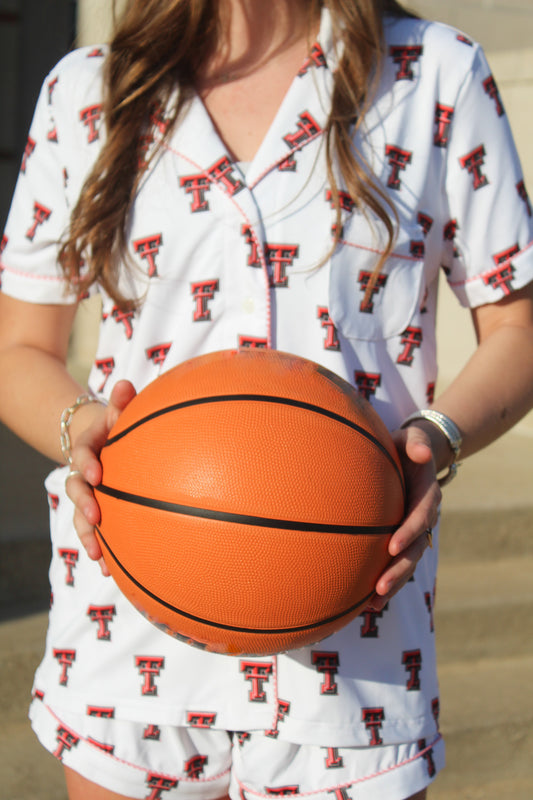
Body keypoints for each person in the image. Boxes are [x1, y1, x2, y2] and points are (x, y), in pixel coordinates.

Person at [1, 0, 532, 798]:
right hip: (132, 617)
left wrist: (436, 436)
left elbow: (517, 327)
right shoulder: (90, 89)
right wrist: (82, 428)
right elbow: (19, 348)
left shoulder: (433, 74)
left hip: (354, 635)